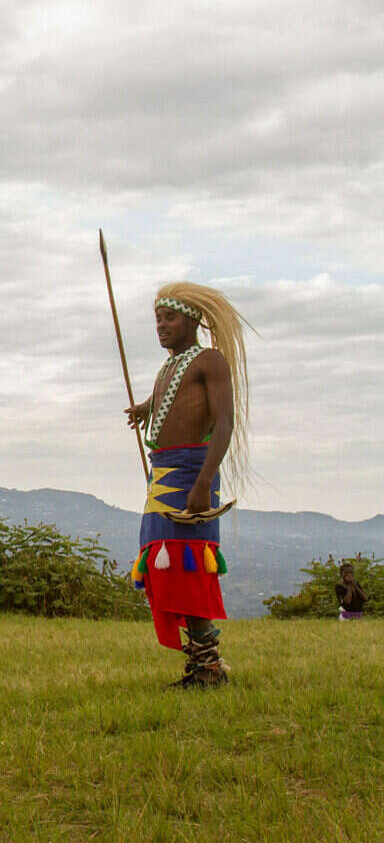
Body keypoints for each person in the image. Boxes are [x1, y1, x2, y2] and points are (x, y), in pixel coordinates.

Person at [125, 282, 252, 688]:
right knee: (163, 565)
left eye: (170, 318)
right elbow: (171, 399)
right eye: (157, 319)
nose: (161, 326)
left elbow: (224, 423)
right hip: (163, 474)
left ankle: (209, 667)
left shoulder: (209, 360)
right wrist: (145, 408)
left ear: (193, 321)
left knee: (186, 564)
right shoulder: (169, 367)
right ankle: (202, 662)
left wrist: (203, 483)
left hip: (192, 475)